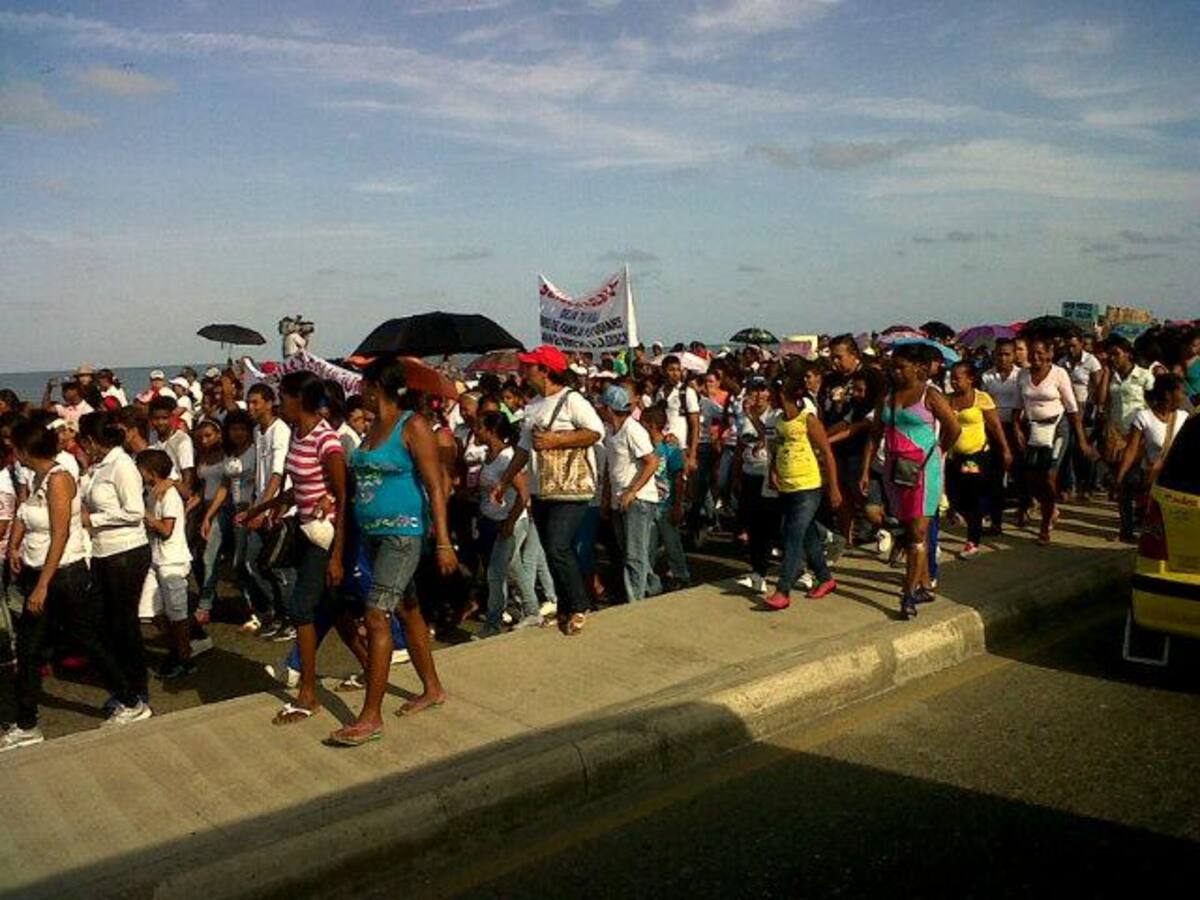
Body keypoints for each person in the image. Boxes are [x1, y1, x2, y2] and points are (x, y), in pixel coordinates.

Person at [2, 415, 150, 751]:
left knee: (87, 639)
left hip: (63, 574)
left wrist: (42, 584)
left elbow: (61, 533)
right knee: (29, 648)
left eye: (15, 447)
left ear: (25, 449)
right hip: (41, 571)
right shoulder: (38, 478)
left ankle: (130, 700)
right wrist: (16, 549)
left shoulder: (59, 478)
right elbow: (27, 517)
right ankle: (26, 722)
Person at [331, 359, 456, 746]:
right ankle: (432, 688)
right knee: (408, 608)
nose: (360, 393)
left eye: (364, 386)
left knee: (376, 615)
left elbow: (436, 485)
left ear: (374, 388)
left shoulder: (412, 426)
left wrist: (443, 541)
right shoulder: (371, 429)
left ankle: (371, 716)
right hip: (373, 535)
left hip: (402, 536)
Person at [241, 372, 346, 725]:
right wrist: (259, 509)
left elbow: (345, 495)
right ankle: (368, 668)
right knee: (337, 612)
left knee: (302, 609)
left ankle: (308, 693)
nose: (278, 403)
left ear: (298, 399)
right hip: (304, 530)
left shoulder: (325, 440)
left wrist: (336, 556)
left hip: (324, 536)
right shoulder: (299, 436)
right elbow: (297, 488)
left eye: (282, 397)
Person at [493, 345, 604, 636]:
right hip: (543, 487)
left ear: (544, 370)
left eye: (530, 366)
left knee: (558, 546)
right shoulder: (532, 406)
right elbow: (523, 449)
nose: (524, 370)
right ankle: (566, 606)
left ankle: (579, 604)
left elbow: (594, 432)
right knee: (553, 548)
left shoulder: (572, 400)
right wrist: (504, 481)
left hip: (572, 486)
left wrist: (556, 440)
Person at [863, 344, 961, 619]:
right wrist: (864, 470)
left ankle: (908, 596)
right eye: (892, 367)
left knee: (917, 534)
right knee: (906, 529)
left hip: (923, 471)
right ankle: (925, 583)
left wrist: (938, 451)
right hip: (893, 470)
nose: (895, 372)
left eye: (901, 367)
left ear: (918, 368)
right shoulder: (887, 397)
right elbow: (874, 435)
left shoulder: (930, 396)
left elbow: (954, 428)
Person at [78, 412, 153, 706]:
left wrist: (93, 519)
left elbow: (134, 511)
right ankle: (123, 681)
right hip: (104, 551)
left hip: (126, 551)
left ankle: (136, 687)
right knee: (108, 621)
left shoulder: (121, 465)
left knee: (124, 623)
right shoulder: (100, 466)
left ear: (91, 440)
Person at [763, 372, 841, 610]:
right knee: (807, 536)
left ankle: (783, 589)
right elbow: (776, 450)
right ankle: (825, 578)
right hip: (787, 485)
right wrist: (773, 472)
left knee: (792, 535)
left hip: (808, 486)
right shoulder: (778, 421)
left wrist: (834, 487)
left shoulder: (808, 419)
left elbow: (827, 452)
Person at [1014, 338, 1097, 545]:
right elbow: (1018, 406)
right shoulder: (1023, 375)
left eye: (1040, 353)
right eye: (1032, 353)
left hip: (1058, 429)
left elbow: (1072, 409)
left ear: (1049, 354)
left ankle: (1045, 527)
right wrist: (1017, 430)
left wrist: (1082, 441)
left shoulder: (1059, 374)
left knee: (1049, 476)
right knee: (1032, 477)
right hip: (1033, 428)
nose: (1035, 357)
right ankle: (1049, 507)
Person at [474, 410, 539, 637]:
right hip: (492, 520)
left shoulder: (507, 458)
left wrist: (510, 524)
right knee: (514, 567)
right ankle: (532, 610)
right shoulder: (490, 456)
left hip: (511, 522)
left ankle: (492, 624)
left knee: (495, 572)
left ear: (491, 431)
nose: (475, 430)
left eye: (479, 427)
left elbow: (523, 494)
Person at [236, 383, 293, 637]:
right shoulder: (259, 432)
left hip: (278, 509)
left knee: (276, 566)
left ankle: (290, 617)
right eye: (249, 402)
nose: (251, 407)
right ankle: (278, 612)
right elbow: (262, 474)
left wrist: (263, 508)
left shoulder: (279, 430)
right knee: (252, 563)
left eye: (256, 402)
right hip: (261, 504)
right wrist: (253, 506)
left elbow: (277, 474)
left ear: (270, 403)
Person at [136, 449, 196, 679]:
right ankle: (176, 648)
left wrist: (144, 515)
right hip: (156, 559)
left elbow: (166, 530)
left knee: (177, 614)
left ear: (150, 472)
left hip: (172, 560)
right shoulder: (152, 493)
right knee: (150, 609)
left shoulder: (168, 495)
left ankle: (184, 658)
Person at [599, 384, 661, 603]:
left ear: (608, 408)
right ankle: (651, 588)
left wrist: (632, 490)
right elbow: (610, 468)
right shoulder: (611, 432)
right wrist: (607, 498)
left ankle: (635, 600)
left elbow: (652, 461)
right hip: (619, 499)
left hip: (638, 500)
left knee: (634, 554)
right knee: (631, 552)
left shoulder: (632, 430)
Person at [946, 362, 1011, 559]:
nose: (954, 382)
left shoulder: (981, 399)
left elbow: (995, 427)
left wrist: (1005, 449)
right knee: (954, 494)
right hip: (952, 456)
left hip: (975, 456)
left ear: (970, 378)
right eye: (952, 378)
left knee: (971, 494)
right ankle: (969, 516)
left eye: (958, 378)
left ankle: (972, 541)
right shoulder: (948, 400)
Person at [1111, 374, 1188, 533]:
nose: (1183, 396)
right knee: (1127, 484)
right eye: (1181, 392)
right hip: (1150, 473)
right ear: (1168, 394)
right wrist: (1120, 477)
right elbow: (1131, 450)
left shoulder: (1184, 417)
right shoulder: (1144, 417)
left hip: (1174, 476)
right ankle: (1127, 528)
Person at [1097, 336, 1156, 541]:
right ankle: (1126, 528)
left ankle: (1142, 521)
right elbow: (1102, 402)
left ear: (1128, 354)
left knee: (1137, 480)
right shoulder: (1112, 376)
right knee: (1121, 483)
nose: (1113, 358)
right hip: (1117, 435)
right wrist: (1105, 376)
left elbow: (1155, 404)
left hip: (1140, 435)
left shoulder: (1144, 376)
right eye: (1110, 355)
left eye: (1116, 354)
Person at [734, 376, 778, 594]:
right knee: (751, 524)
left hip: (767, 474)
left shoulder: (774, 414)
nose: (758, 395)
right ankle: (757, 572)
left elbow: (769, 437)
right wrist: (736, 473)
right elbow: (741, 444)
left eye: (762, 391)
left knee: (767, 525)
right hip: (749, 472)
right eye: (754, 391)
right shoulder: (743, 416)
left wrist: (752, 415)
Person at [642, 406, 690, 590]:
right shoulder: (645, 447)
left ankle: (681, 575)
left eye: (643, 424)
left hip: (666, 505)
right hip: (648, 503)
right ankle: (648, 581)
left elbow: (678, 479)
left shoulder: (669, 449)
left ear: (652, 426)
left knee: (672, 543)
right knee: (648, 545)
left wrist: (678, 505)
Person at [982, 338, 1026, 532]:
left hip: (1017, 427)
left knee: (1020, 472)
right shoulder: (987, 377)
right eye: (999, 354)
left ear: (1014, 355)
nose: (1003, 358)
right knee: (994, 476)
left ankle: (1024, 507)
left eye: (1007, 354)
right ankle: (996, 520)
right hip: (994, 428)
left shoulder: (1022, 376)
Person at [655, 356, 700, 475]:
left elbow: (695, 425)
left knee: (681, 485)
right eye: (671, 370)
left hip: (681, 447)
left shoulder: (687, 393)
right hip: (663, 445)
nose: (675, 373)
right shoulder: (659, 392)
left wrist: (693, 455)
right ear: (663, 371)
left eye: (677, 370)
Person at [147, 396, 196, 500]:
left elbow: (187, 482)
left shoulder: (182, 440)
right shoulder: (153, 437)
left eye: (164, 418)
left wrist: (172, 482)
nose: (160, 422)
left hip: (175, 498)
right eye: (156, 418)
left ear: (172, 417)